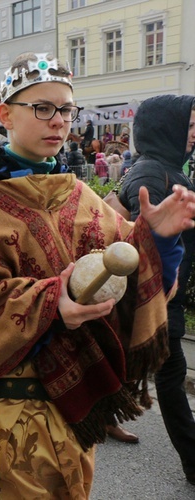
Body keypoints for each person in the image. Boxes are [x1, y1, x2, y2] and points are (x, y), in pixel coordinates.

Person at [0, 52, 195, 499]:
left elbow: (132, 280)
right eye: (42, 108)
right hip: (10, 413)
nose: (58, 121)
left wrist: (160, 240)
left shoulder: (81, 196)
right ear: (5, 115)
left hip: (75, 417)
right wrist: (53, 301)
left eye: (66, 110)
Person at [119, 94, 195, 486]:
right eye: (189, 125)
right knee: (171, 374)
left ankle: (103, 414)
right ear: (166, 127)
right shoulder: (152, 174)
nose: (194, 134)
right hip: (160, 298)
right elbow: (139, 249)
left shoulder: (166, 168)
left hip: (170, 294)